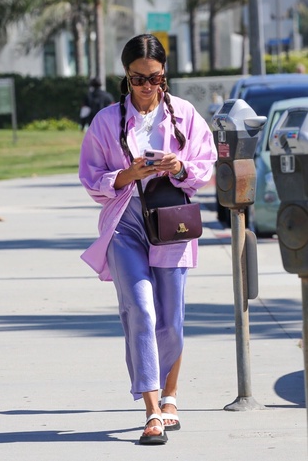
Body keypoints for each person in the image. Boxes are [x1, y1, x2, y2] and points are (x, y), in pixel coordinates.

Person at [79, 33, 217, 445]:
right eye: (138, 79)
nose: (147, 87)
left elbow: (205, 166)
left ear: (164, 76)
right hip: (126, 222)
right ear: (126, 77)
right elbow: (91, 176)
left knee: (171, 318)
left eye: (155, 78)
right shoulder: (106, 121)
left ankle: (172, 395)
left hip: (171, 221)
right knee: (139, 310)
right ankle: (153, 411)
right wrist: (127, 175)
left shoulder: (185, 114)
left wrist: (178, 165)